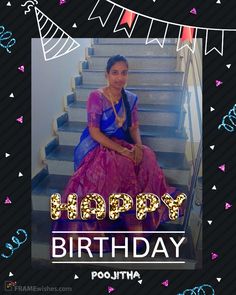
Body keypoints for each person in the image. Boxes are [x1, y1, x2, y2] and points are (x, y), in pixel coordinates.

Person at [52, 55, 184, 252]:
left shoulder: (130, 98)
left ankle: (139, 218)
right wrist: (123, 150)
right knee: (119, 164)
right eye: (115, 72)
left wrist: (138, 146)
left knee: (148, 156)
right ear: (107, 74)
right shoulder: (96, 97)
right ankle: (123, 224)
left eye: (124, 73)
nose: (119, 77)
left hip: (123, 141)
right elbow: (95, 132)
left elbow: (134, 127)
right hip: (97, 144)